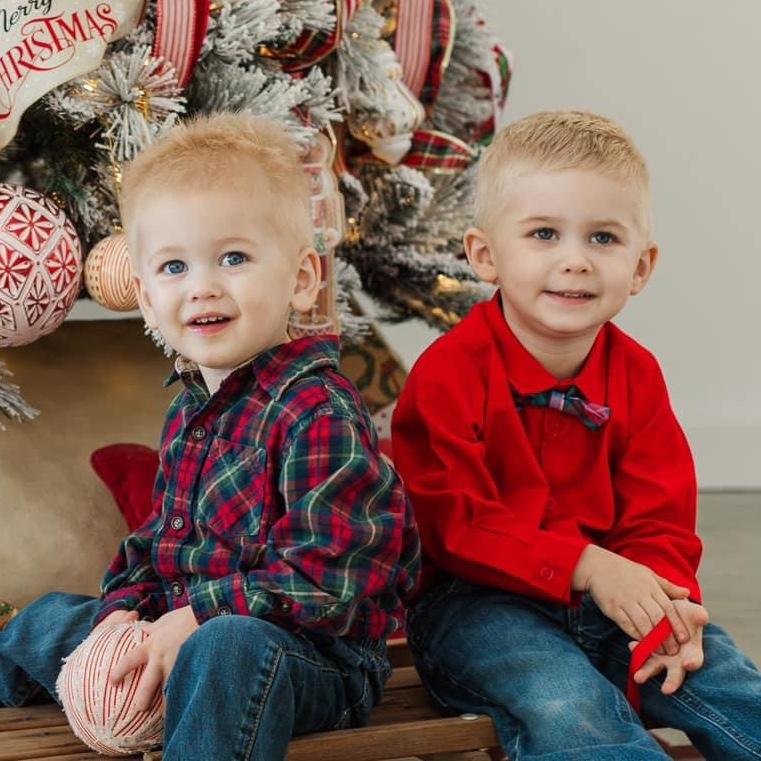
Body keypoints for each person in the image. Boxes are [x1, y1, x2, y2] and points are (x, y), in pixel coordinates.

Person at [0, 112, 420, 760]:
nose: (202, 287)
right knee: (50, 618)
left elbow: (329, 575)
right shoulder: (191, 408)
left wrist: (198, 618)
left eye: (233, 258)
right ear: (145, 297)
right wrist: (125, 612)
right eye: (173, 266)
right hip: (183, 617)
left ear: (302, 279)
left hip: (307, 655)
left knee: (226, 647)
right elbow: (158, 541)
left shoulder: (317, 410)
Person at [391, 110, 761, 760]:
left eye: (602, 238)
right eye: (543, 233)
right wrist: (586, 565)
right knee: (568, 703)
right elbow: (457, 524)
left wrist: (666, 605)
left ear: (640, 266)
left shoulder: (637, 374)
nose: (574, 261)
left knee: (721, 679)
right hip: (477, 606)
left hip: (616, 591)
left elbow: (659, 518)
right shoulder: (448, 373)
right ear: (484, 255)